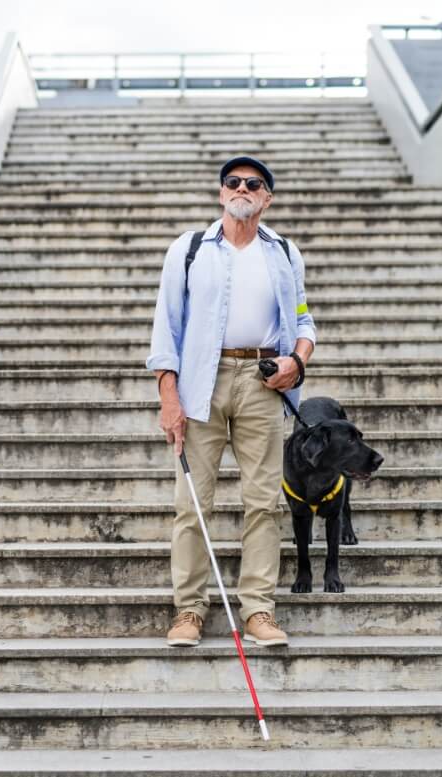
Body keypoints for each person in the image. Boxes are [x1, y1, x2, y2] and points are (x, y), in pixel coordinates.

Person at [146, 155, 317, 648]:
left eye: (253, 183)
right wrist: (168, 395)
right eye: (233, 182)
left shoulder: (284, 252)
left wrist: (297, 363)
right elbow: (167, 327)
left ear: (267, 198)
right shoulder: (190, 249)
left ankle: (259, 610)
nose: (242, 188)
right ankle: (189, 611)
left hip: (264, 384)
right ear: (222, 193)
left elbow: (303, 321)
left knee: (264, 502)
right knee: (192, 503)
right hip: (202, 380)